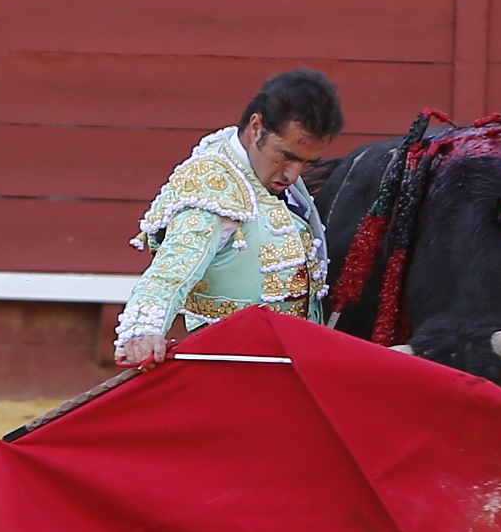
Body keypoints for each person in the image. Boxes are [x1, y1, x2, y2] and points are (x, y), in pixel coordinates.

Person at [114, 67, 345, 367]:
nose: (293, 174)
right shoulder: (213, 187)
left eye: (306, 163)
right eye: (285, 156)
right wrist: (141, 332)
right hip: (229, 369)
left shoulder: (262, 172)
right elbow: (170, 272)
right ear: (257, 127)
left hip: (286, 363)